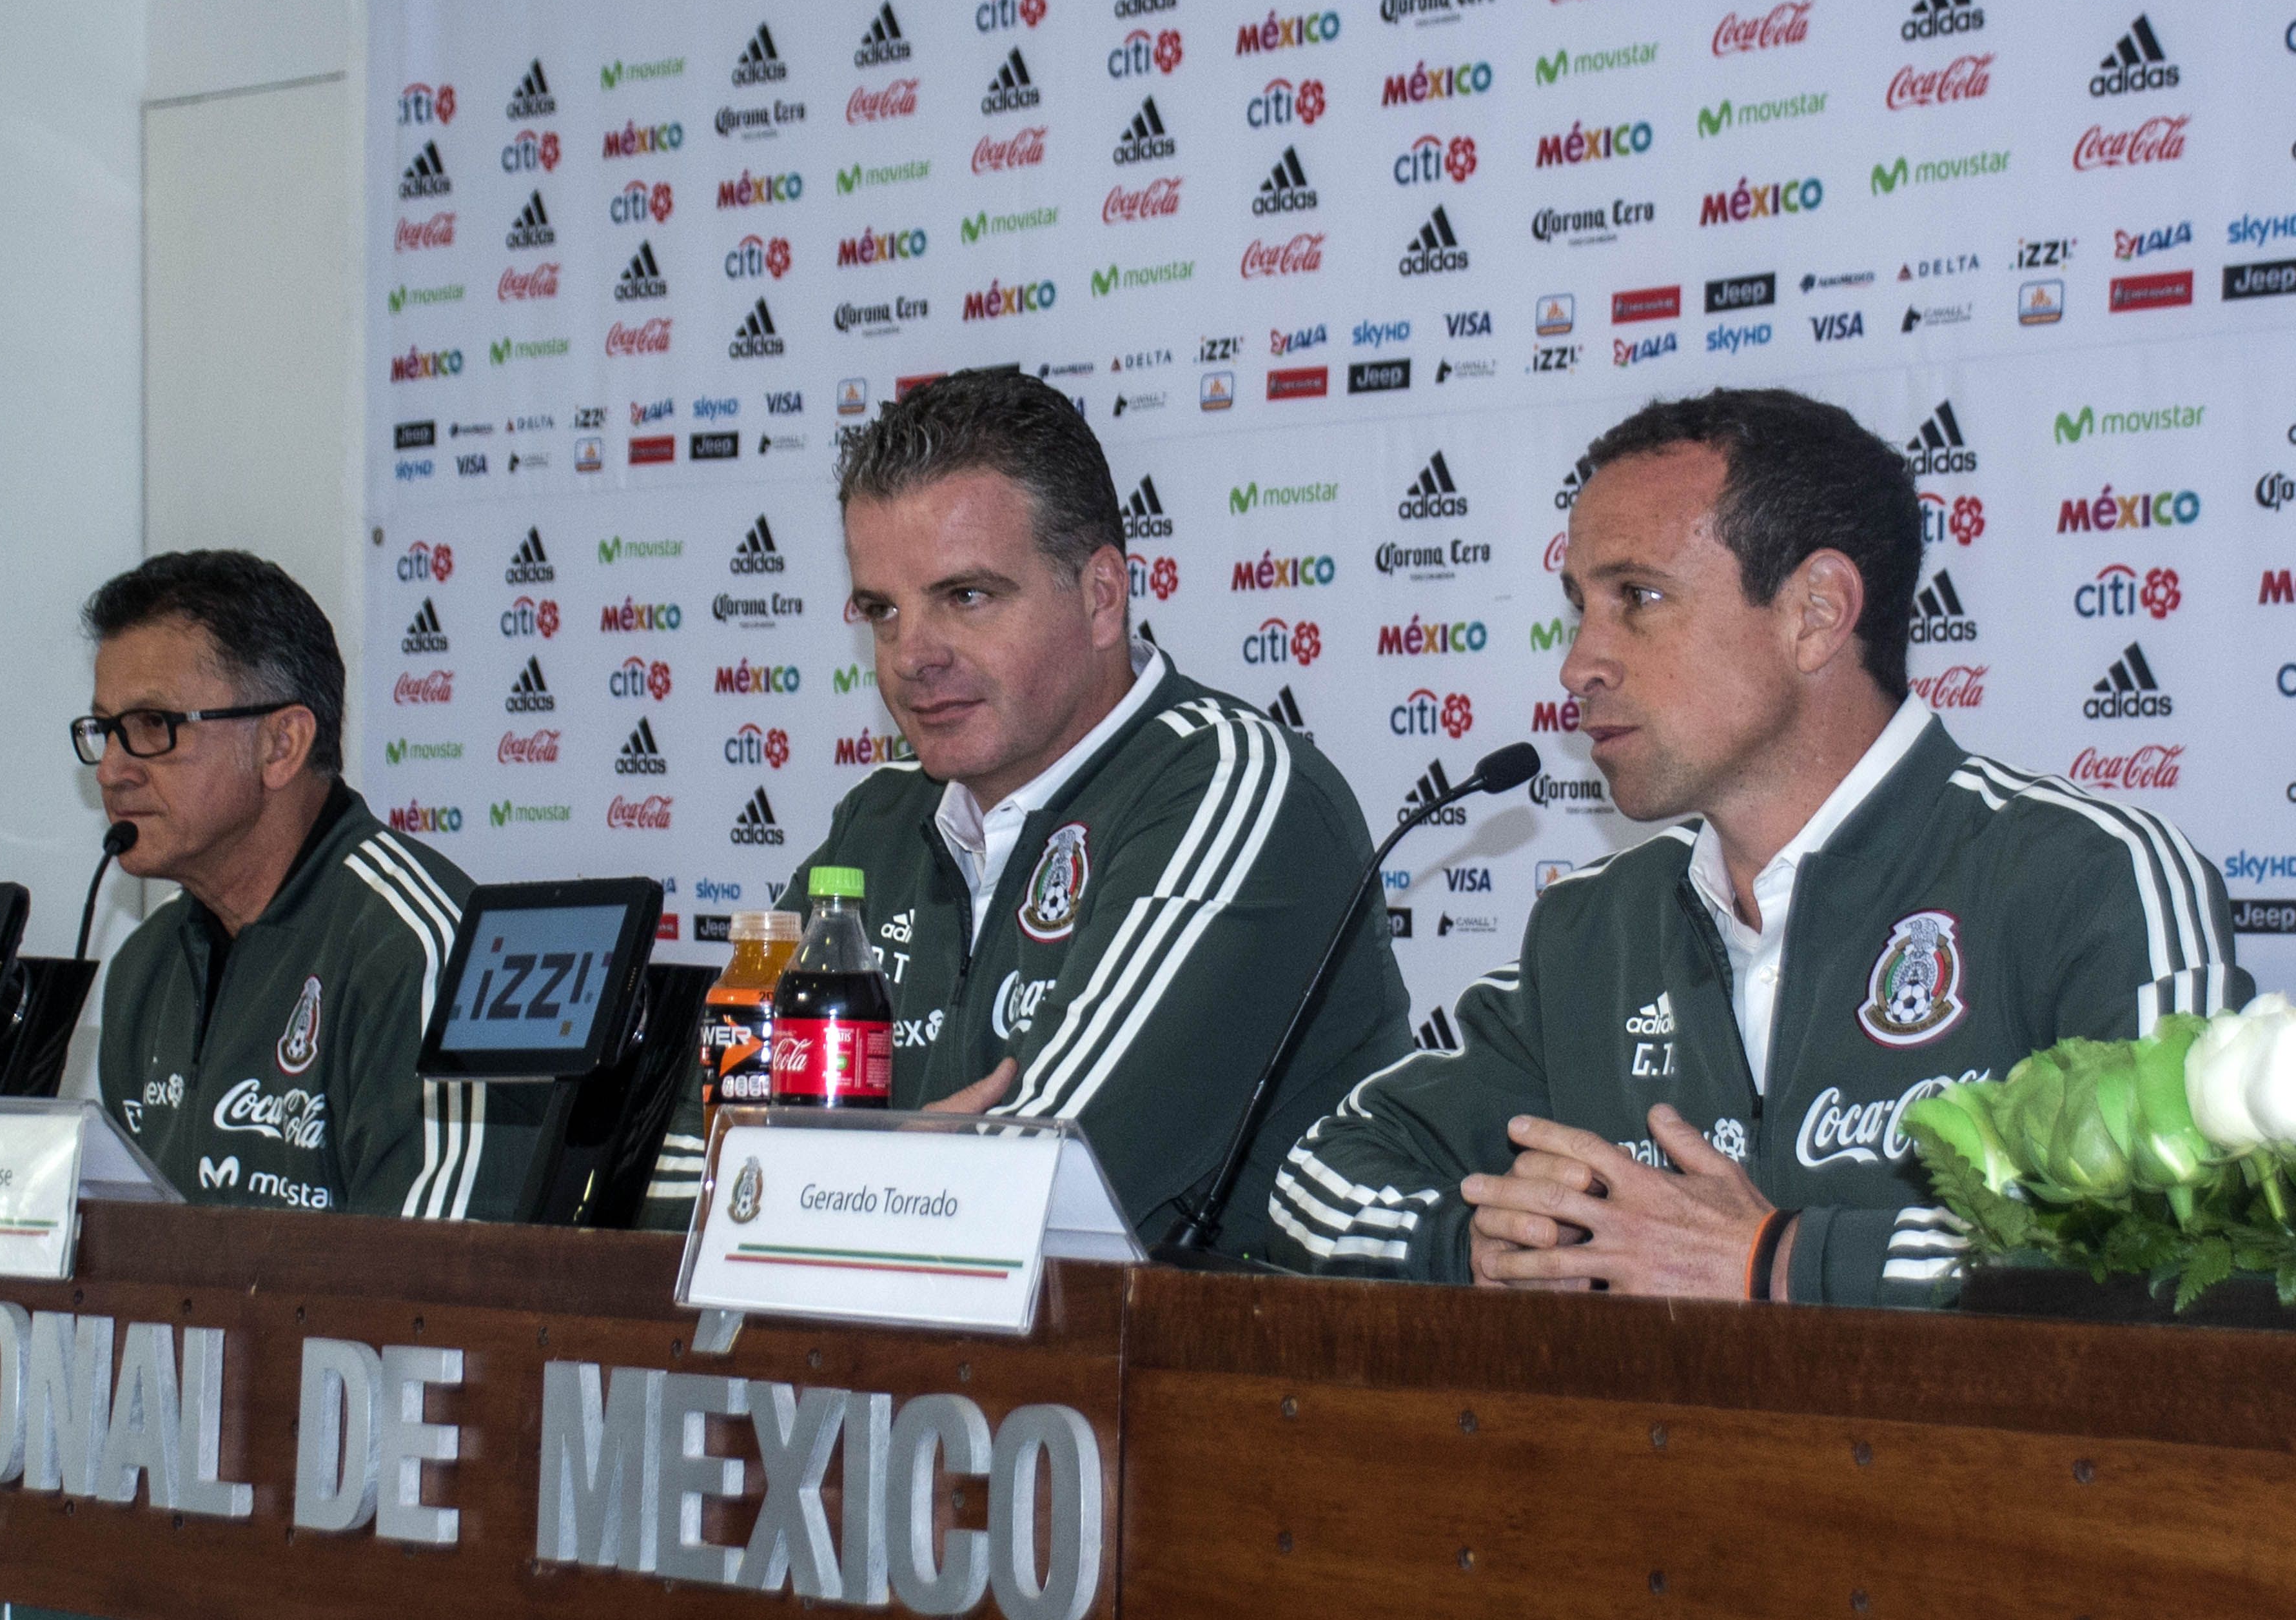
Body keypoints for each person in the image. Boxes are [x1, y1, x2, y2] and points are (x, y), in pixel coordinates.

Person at [1270, 388, 2249, 1305]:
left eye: (1639, 598)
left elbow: (2191, 1250)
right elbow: (1315, 1177)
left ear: (1816, 613)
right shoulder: (1592, 929)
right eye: (1580, 606)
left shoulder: (2087, 879)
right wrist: (1475, 1243)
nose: (1579, 662)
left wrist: (1774, 1258)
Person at [644, 368, 1415, 1254]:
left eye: (966, 597)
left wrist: (812, 1173)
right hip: (929, 1382)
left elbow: (1044, 1187)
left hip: (1217, 1378)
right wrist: (897, 1165)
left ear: (1101, 597)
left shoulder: (1237, 786)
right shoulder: (878, 821)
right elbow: (678, 1183)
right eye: (884, 612)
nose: (912, 655)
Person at [81, 549, 541, 1217]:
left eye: (153, 727)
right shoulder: (144, 967)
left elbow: (432, 1288)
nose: (112, 770)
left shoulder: (425, 951)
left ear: (281, 745)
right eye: (105, 731)